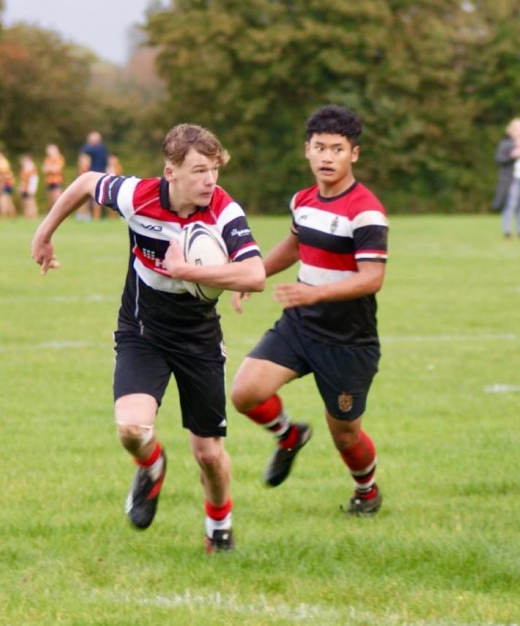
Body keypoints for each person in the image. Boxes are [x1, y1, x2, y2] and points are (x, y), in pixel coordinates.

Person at [31, 123, 266, 552]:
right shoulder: (138, 196)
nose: (209, 180)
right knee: (132, 429)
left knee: (209, 456)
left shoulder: (223, 211)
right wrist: (45, 232)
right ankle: (152, 466)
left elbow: (256, 274)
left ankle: (219, 526)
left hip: (199, 338)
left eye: (214, 169)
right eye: (198, 170)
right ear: (170, 171)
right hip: (143, 331)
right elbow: (85, 183)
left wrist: (188, 271)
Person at [230, 104, 388, 516]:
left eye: (337, 149)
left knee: (346, 435)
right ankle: (288, 436)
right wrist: (253, 275)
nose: (327, 157)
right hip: (300, 325)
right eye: (320, 147)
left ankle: (367, 492)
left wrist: (316, 294)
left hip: (348, 340)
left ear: (354, 153)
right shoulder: (303, 200)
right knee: (245, 393)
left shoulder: (366, 211)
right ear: (307, 150)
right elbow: (296, 245)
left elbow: (372, 277)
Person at [79, 132, 109, 220]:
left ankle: (87, 215)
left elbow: (84, 160)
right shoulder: (103, 149)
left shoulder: (89, 149)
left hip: (91, 175)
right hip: (101, 175)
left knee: (87, 196)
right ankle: (95, 217)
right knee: (96, 196)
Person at [0, 149, 16, 219]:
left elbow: (4, 174)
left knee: (2, 199)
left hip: (6, 183)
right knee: (8, 199)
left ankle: (3, 215)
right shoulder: (3, 161)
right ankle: (12, 215)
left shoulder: (2, 163)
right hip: (9, 182)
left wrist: (1, 183)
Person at [42, 143, 65, 208]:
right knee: (50, 199)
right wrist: (51, 168)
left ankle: (61, 212)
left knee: (57, 199)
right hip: (49, 181)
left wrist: (49, 168)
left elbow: (57, 169)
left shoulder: (59, 158)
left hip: (56, 181)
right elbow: (44, 169)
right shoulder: (47, 159)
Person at [19, 153, 39, 219]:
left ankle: (34, 216)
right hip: (24, 187)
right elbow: (22, 179)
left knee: (31, 201)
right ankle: (27, 215)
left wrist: (32, 188)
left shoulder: (32, 167)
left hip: (29, 187)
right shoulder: (24, 167)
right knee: (25, 201)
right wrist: (21, 187)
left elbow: (34, 178)